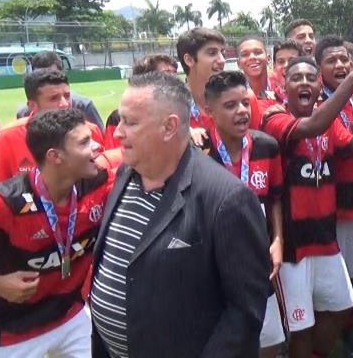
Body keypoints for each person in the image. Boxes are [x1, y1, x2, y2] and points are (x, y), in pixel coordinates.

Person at [90, 72, 271, 357]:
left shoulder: (227, 200)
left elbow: (244, 314)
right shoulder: (126, 173)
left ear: (169, 127)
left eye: (131, 122)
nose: (117, 132)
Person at [0, 109, 118, 357]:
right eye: (84, 142)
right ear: (55, 156)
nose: (97, 147)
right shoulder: (3, 200)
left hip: (69, 317)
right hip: (2, 333)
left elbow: (135, 152)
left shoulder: (100, 181)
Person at [262, 56, 353, 358]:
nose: (305, 82)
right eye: (297, 78)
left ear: (320, 85)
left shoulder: (329, 124)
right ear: (284, 86)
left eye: (311, 77)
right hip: (294, 247)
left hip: (326, 240)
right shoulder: (275, 119)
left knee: (341, 307)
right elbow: (312, 126)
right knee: (302, 327)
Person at [204, 71, 287, 358]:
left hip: (259, 261)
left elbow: (275, 198)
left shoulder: (266, 146)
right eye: (230, 106)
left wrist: (277, 240)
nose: (241, 111)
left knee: (271, 340)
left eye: (244, 103)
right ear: (209, 111)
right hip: (213, 265)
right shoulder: (198, 153)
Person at [313, 38, 353, 358]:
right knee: (341, 280)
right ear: (319, 67)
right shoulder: (319, 103)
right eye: (331, 61)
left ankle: (347, 328)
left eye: (344, 60)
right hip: (334, 205)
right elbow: (347, 144)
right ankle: (340, 331)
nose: (339, 65)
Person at [0, 69, 104, 182]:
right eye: (54, 98)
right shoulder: (8, 137)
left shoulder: (90, 131)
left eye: (67, 96)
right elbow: (2, 188)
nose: (64, 104)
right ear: (32, 106)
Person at [176, 27, 263, 137]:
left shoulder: (245, 100)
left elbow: (256, 144)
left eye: (222, 53)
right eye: (212, 53)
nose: (222, 60)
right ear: (189, 60)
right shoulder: (174, 109)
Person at [16, 51, 104, 133]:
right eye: (41, 74)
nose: (64, 104)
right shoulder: (23, 114)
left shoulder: (84, 106)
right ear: (32, 106)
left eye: (53, 73)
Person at [104, 53, 178, 149]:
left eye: (174, 73)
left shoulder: (184, 113)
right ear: (145, 79)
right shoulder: (117, 119)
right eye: (166, 73)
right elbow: (114, 157)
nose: (174, 80)